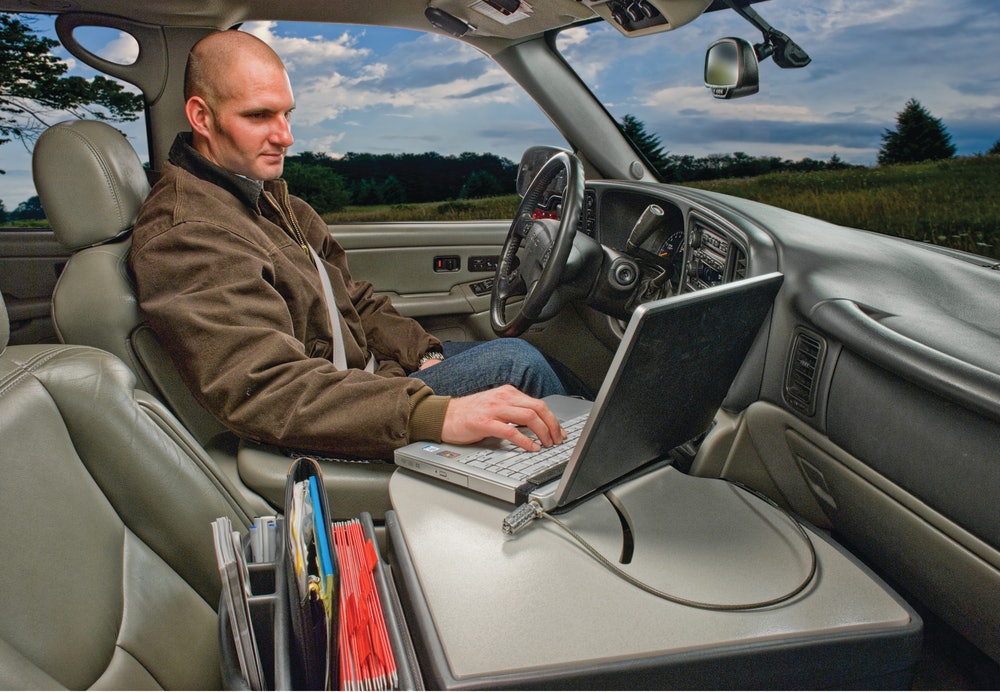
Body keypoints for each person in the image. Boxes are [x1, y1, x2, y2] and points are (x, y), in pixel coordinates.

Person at [129, 30, 569, 460]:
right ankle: (583, 495)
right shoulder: (187, 233)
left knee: (528, 363)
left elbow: (353, 300)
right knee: (517, 364)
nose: (285, 136)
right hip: (327, 421)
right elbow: (265, 389)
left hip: (362, 383)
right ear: (202, 117)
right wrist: (435, 413)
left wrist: (425, 353)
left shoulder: (275, 202)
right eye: (259, 116)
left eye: (287, 114)